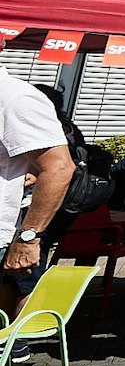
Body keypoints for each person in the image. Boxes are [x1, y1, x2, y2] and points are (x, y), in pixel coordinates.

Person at [1, 64, 74, 346]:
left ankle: (16, 344)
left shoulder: (14, 97)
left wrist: (28, 237)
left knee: (22, 286)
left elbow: (58, 167)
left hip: (8, 230)